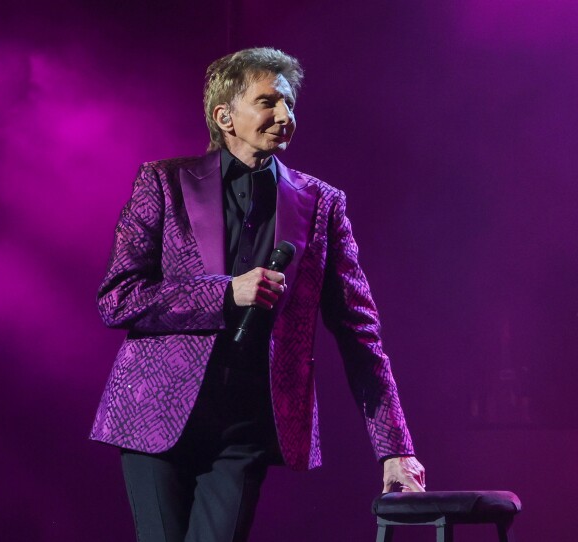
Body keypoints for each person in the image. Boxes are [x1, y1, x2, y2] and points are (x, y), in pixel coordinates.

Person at [90, 47, 426, 542]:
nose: (285, 115)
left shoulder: (321, 204)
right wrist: (226, 293)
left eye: (289, 103)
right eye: (268, 102)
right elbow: (118, 297)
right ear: (225, 116)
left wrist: (395, 448)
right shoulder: (164, 182)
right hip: (155, 416)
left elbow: (361, 333)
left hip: (249, 421)